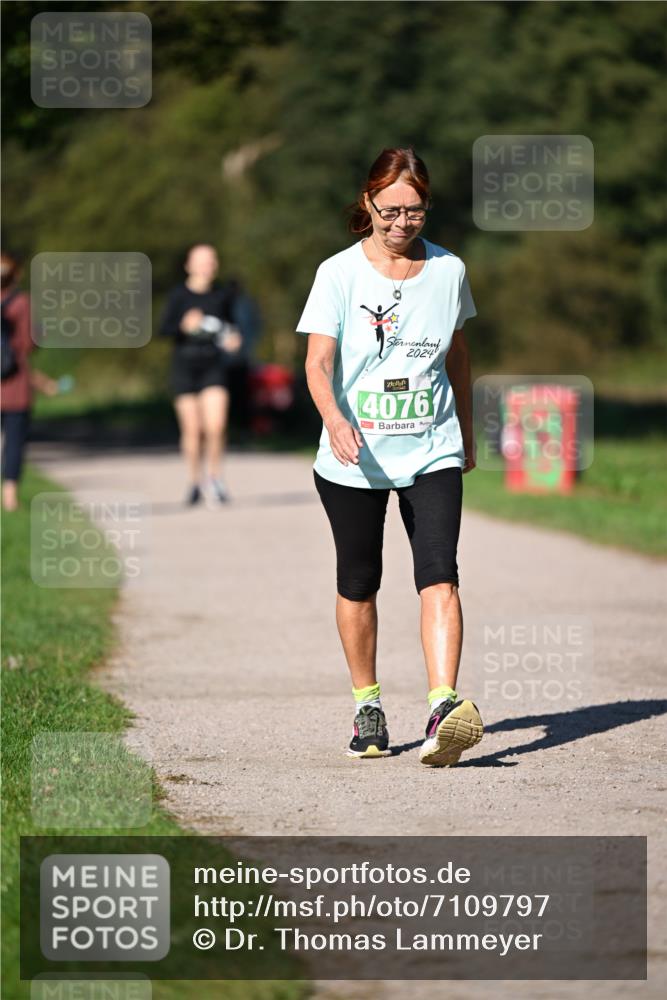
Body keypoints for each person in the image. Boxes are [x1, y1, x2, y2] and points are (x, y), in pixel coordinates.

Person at [296, 147, 484, 766]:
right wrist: (333, 418)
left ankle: (443, 707)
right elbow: (317, 362)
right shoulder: (338, 274)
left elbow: (457, 356)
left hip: (431, 446)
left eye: (417, 210)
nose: (403, 222)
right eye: (392, 210)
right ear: (368, 203)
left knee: (440, 571)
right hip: (355, 454)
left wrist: (467, 427)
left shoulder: (450, 271)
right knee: (359, 581)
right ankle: (368, 706)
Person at [159, 244, 241, 505]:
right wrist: (183, 325)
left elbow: (231, 330)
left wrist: (234, 340)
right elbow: (164, 330)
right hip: (184, 367)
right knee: (193, 431)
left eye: (212, 261)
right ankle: (194, 481)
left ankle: (214, 478)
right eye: (203, 261)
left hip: (213, 366)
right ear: (189, 265)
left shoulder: (222, 296)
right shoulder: (178, 296)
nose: (208, 266)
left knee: (215, 426)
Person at [1, 251, 58, 512]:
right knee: (14, 441)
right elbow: (28, 344)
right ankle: (9, 497)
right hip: (15, 385)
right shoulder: (23, 303)